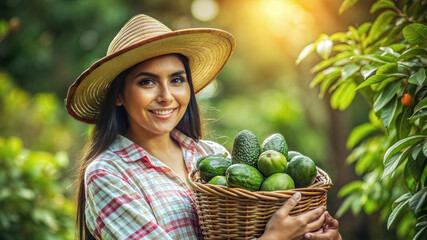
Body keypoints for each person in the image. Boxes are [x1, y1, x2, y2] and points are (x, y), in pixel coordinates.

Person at [66, 14, 341, 240]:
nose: (166, 96)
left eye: (176, 80)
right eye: (147, 82)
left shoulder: (212, 155)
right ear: (119, 95)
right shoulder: (108, 174)